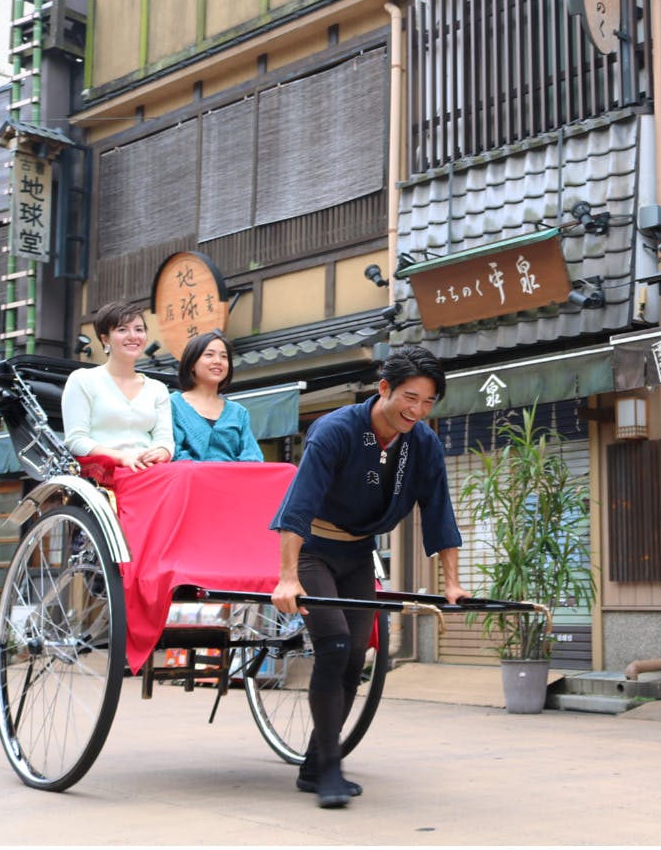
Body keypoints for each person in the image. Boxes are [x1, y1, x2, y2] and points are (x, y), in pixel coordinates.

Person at [269, 345, 468, 809]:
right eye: (409, 398)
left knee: (357, 654)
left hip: (358, 554)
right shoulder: (335, 430)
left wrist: (452, 582)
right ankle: (331, 768)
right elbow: (296, 507)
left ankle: (316, 763)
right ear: (384, 389)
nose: (416, 411)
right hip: (314, 551)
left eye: (427, 402)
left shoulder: (423, 444)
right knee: (334, 644)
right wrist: (286, 576)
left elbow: (440, 512)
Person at [62, 301, 173, 471]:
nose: (133, 336)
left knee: (192, 474)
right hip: (104, 470)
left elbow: (164, 439)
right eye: (122, 330)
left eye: (139, 329)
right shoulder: (83, 380)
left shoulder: (157, 389)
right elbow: (76, 440)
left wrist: (162, 451)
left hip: (149, 468)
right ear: (105, 339)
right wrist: (123, 458)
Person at [170, 330, 263, 462]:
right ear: (191, 364)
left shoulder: (238, 412)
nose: (218, 361)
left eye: (224, 357)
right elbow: (173, 451)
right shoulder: (172, 404)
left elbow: (252, 456)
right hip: (190, 480)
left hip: (232, 480)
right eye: (209, 355)